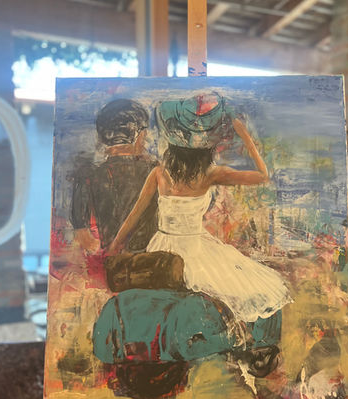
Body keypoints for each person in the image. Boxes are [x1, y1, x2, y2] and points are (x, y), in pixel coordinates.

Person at [109, 117, 292, 325]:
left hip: (161, 248)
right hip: (193, 249)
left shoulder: (159, 173)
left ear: (173, 150)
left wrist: (115, 245)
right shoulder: (211, 175)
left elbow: (135, 214)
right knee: (228, 292)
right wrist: (245, 136)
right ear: (205, 153)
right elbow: (262, 176)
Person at [71, 98, 158, 254]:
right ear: (139, 135)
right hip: (153, 259)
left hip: (112, 261)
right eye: (144, 132)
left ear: (103, 137)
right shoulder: (156, 171)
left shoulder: (89, 175)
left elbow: (83, 236)